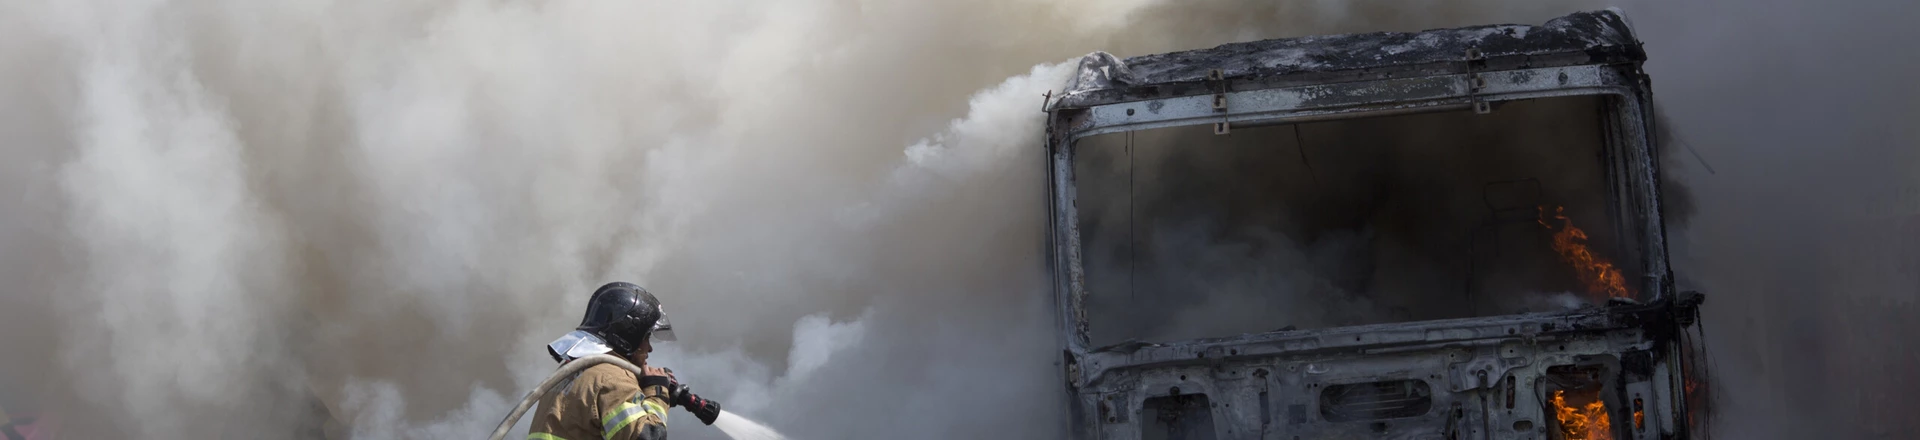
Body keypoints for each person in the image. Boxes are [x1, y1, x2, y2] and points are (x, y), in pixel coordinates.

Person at [528, 282, 709, 440]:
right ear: (630, 336)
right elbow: (649, 437)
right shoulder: (613, 378)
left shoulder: (570, 372)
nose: (650, 348)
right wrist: (657, 393)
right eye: (647, 338)